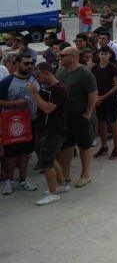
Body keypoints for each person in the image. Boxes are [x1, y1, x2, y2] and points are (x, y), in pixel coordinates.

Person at [55, 46, 97, 188]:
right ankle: (65, 174)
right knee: (66, 145)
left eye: (63, 55)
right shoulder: (60, 71)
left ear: (73, 56)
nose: (60, 57)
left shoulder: (84, 73)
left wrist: (88, 113)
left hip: (80, 116)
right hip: (64, 116)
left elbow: (93, 94)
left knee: (84, 145)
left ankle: (85, 175)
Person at [27, 62, 68, 205]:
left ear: (47, 73)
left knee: (47, 162)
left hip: (54, 130)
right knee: (50, 158)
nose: (37, 79)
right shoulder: (46, 87)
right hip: (44, 128)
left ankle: (53, 193)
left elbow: (48, 109)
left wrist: (34, 94)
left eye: (38, 76)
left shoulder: (60, 89)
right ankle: (61, 185)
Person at [0, 53, 40, 195]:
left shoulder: (35, 79)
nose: (29, 66)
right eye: (26, 64)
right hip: (12, 125)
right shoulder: (7, 82)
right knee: (11, 155)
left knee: (26, 153)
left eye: (31, 63)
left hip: (31, 123)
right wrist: (14, 104)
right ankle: (9, 181)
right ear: (17, 64)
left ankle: (23, 180)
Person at [91, 46, 117, 159]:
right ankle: (104, 147)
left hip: (110, 99)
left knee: (112, 123)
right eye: (101, 53)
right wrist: (96, 97)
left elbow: (116, 85)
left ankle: (116, 148)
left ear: (109, 55)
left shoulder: (113, 68)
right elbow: (93, 83)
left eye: (105, 54)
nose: (103, 56)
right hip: (99, 99)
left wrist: (103, 97)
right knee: (101, 123)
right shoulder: (95, 67)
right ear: (98, 54)